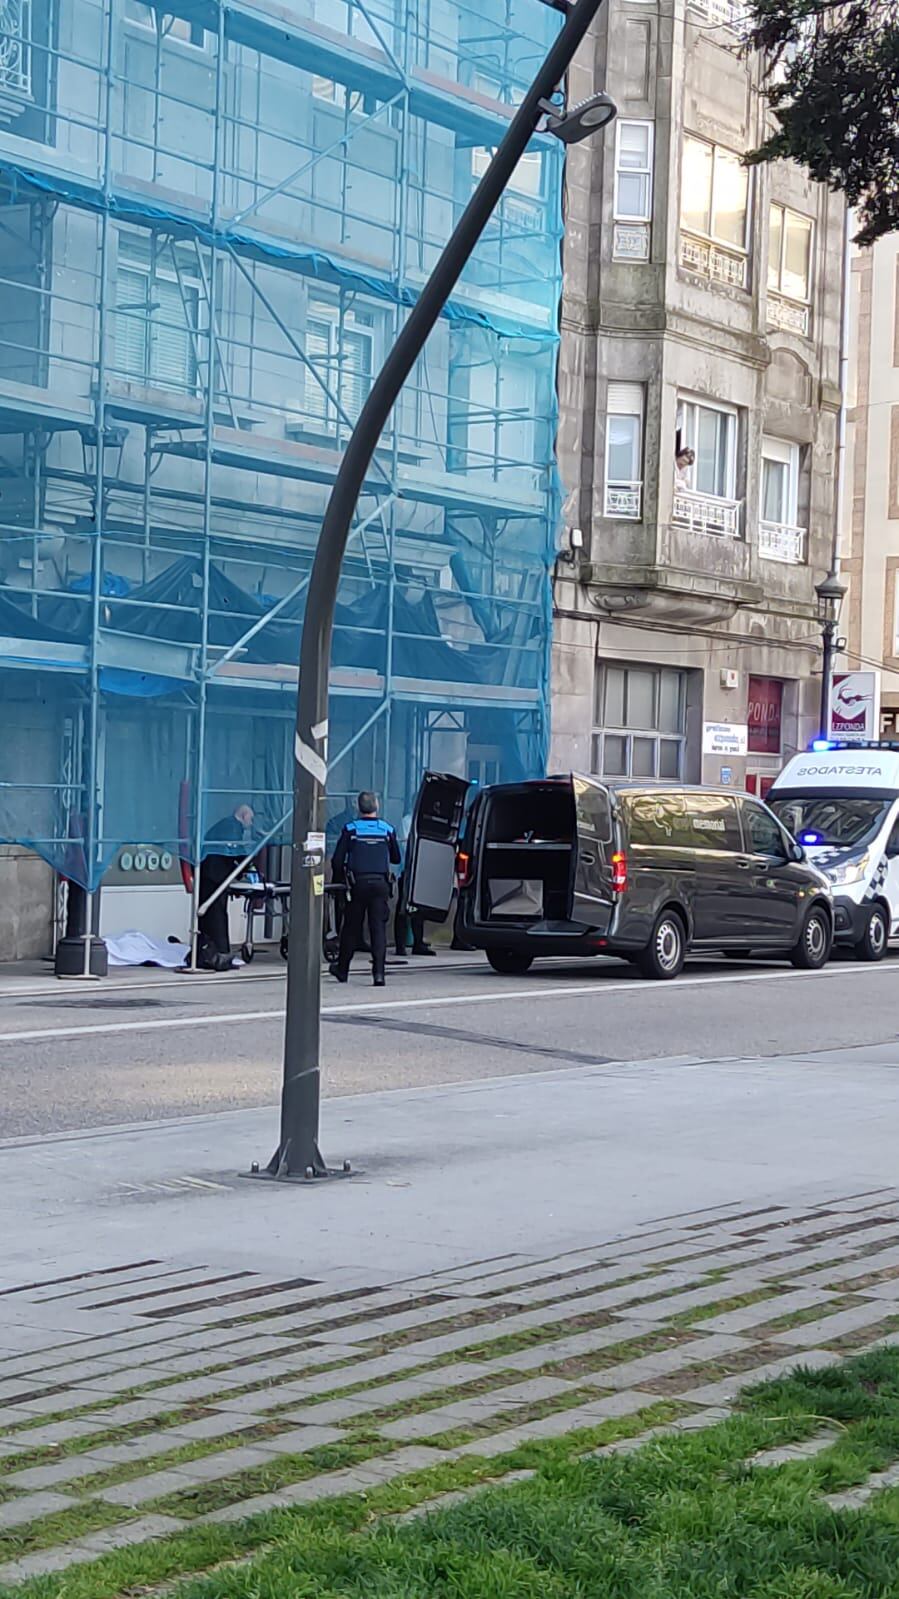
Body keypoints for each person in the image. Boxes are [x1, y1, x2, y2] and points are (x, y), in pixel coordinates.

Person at [330, 791, 401, 986]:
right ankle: (379, 974)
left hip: (357, 884)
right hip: (380, 884)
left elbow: (337, 860)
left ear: (358, 808)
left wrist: (340, 881)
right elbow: (396, 858)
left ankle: (342, 969)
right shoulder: (387, 829)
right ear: (376, 806)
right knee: (378, 929)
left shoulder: (351, 829)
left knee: (351, 927)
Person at [198, 801, 255, 968]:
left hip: (209, 872)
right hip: (214, 874)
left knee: (212, 913)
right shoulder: (232, 828)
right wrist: (246, 866)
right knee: (216, 914)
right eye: (250, 819)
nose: (249, 824)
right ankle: (220, 952)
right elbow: (233, 852)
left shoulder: (225, 826)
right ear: (244, 816)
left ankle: (211, 949)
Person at [394, 813, 435, 957]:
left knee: (419, 907)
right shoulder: (407, 821)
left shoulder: (428, 820)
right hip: (408, 870)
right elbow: (405, 846)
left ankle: (418, 943)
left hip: (421, 870)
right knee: (403, 909)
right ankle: (401, 945)